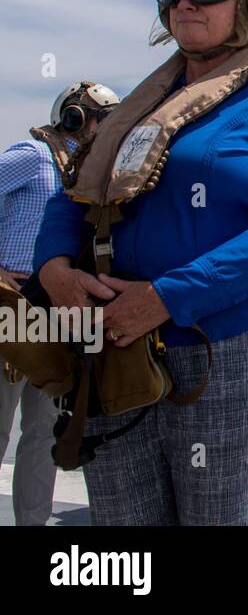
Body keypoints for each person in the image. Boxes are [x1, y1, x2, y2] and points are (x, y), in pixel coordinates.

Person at [32, 0, 248, 525]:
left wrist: (167, 298)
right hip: (115, 347)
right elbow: (76, 193)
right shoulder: (137, 109)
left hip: (227, 354)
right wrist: (55, 268)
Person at [1, 81, 119, 525]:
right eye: (101, 118)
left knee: (43, 430)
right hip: (15, 305)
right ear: (73, 117)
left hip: (64, 311)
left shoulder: (89, 173)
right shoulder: (35, 156)